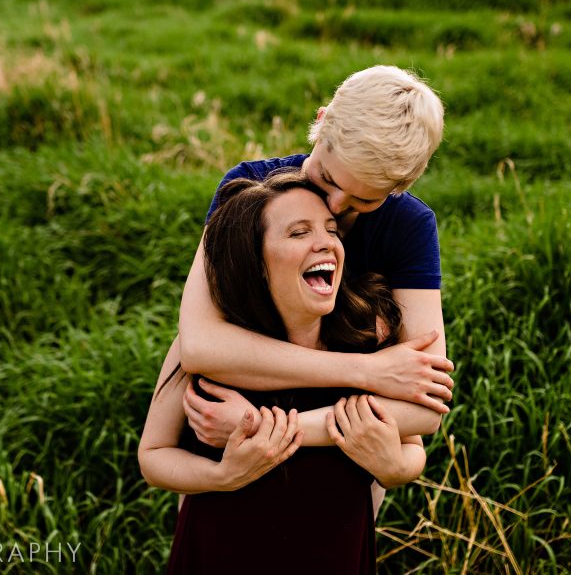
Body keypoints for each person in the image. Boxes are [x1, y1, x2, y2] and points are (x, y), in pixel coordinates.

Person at [173, 65, 455, 516]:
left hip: (332, 464)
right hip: (225, 458)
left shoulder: (409, 225)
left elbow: (424, 409)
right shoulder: (249, 190)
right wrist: (369, 373)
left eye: (365, 200)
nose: (337, 207)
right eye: (328, 177)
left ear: (402, 187)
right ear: (321, 122)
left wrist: (264, 429)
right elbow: (202, 346)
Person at [139, 171, 427, 573]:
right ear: (255, 261)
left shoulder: (368, 336)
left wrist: (393, 468)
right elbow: (152, 456)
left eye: (330, 230)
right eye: (298, 233)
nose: (326, 242)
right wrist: (222, 475)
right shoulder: (211, 351)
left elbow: (413, 448)